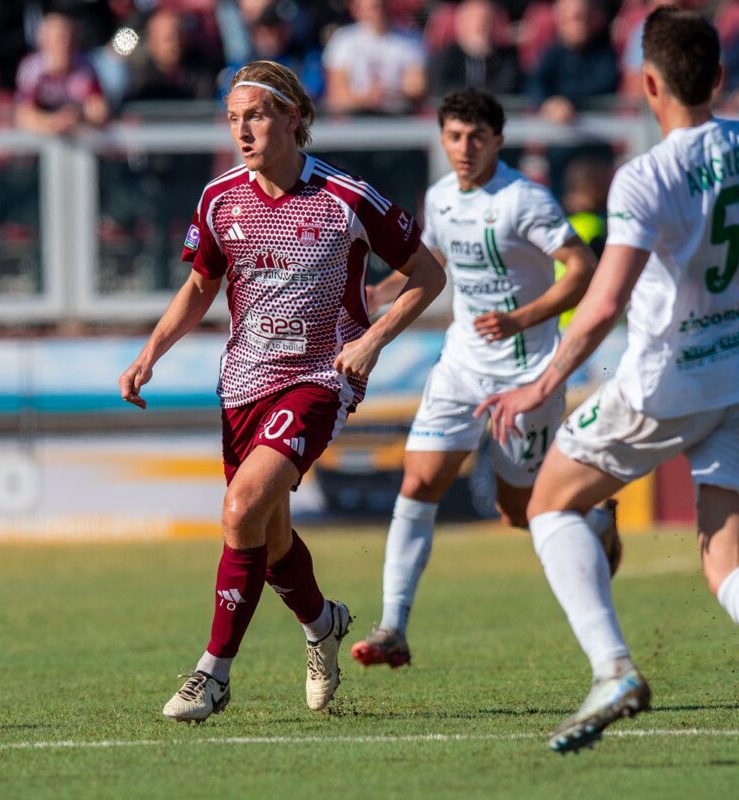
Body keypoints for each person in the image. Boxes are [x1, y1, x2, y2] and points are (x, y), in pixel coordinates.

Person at [119, 59, 445, 723]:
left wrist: (372, 340)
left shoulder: (347, 199)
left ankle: (212, 675)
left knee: (240, 508)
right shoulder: (219, 200)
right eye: (234, 118)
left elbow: (427, 275)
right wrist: (149, 353)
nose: (243, 130)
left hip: (322, 375)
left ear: (295, 119)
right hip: (243, 383)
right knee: (266, 542)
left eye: (257, 115)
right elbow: (200, 288)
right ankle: (323, 623)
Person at [477, 7, 739, 754]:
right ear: (719, 78)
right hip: (737, 373)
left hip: (666, 383)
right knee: (725, 557)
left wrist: (543, 381)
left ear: (648, 84)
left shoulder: (646, 176)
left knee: (550, 505)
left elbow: (603, 302)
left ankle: (613, 669)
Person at [350, 87, 620, 669]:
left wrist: (522, 317)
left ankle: (597, 517)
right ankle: (392, 625)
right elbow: (435, 260)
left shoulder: (526, 201)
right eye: (453, 136)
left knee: (519, 512)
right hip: (459, 368)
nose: (464, 147)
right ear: (442, 139)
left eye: (476, 136)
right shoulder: (442, 196)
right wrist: (378, 291)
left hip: (526, 376)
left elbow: (583, 269)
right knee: (418, 484)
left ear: (498, 139)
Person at [15, 12, 108, 135]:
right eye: (59, 39)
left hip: (79, 135)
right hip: (42, 137)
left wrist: (77, 115)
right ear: (44, 42)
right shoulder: (32, 68)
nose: (65, 45)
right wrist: (53, 122)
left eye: (69, 38)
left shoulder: (85, 66)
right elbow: (23, 115)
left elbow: (100, 110)